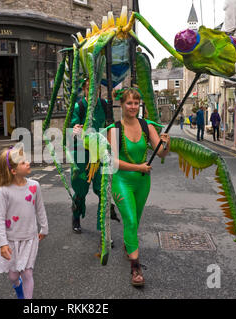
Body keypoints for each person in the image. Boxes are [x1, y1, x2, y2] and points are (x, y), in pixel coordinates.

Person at [107, 87, 170, 286]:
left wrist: (165, 144)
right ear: (122, 104)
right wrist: (138, 167)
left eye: (136, 103)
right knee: (131, 220)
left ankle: (129, 244)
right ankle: (136, 268)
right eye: (129, 103)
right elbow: (114, 162)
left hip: (143, 182)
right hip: (121, 180)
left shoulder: (147, 126)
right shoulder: (114, 130)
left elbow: (160, 154)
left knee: (135, 220)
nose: (133, 107)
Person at [0, 146, 48, 299]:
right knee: (13, 276)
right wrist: (3, 243)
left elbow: (40, 209)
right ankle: (18, 287)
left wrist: (44, 228)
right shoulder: (4, 190)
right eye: (23, 162)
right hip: (11, 240)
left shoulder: (34, 186)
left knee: (27, 273)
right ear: (14, 171)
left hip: (30, 238)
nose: (28, 163)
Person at [69, 78, 114, 233]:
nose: (93, 92)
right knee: (80, 190)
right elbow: (70, 132)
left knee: (103, 190)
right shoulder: (79, 107)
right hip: (82, 154)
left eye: (96, 88)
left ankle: (103, 229)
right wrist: (74, 131)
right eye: (89, 88)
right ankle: (76, 216)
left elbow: (110, 127)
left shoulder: (104, 105)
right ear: (84, 89)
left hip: (100, 153)